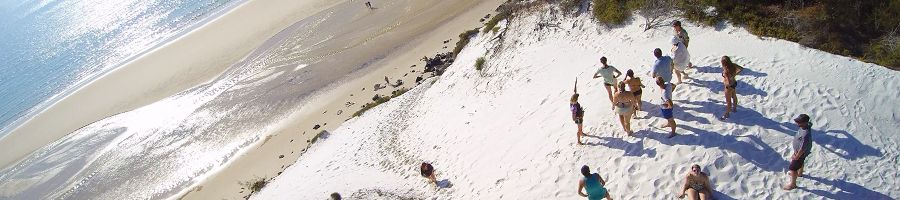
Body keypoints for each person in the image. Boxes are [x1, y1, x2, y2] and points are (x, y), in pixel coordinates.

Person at [784, 114, 813, 190]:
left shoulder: (806, 134)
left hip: (800, 154)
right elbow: (810, 123)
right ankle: (800, 173)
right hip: (799, 153)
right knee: (801, 162)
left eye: (799, 122)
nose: (797, 123)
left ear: (805, 122)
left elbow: (803, 148)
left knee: (793, 168)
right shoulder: (805, 126)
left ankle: (793, 184)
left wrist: (796, 157)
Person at [571, 79, 586, 145]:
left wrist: (575, 84)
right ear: (576, 99)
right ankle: (578, 141)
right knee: (579, 129)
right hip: (578, 118)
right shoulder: (574, 107)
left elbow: (575, 91)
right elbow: (573, 118)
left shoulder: (572, 101)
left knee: (581, 127)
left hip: (580, 117)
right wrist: (580, 116)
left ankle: (582, 133)